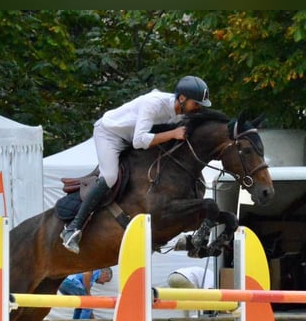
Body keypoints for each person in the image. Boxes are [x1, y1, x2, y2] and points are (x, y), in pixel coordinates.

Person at [61, 75, 212, 253]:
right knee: (110, 176)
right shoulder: (153, 104)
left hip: (130, 137)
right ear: (182, 98)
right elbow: (139, 141)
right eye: (196, 104)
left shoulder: (178, 112)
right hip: (110, 135)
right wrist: (172, 134)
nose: (198, 108)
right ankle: (73, 228)